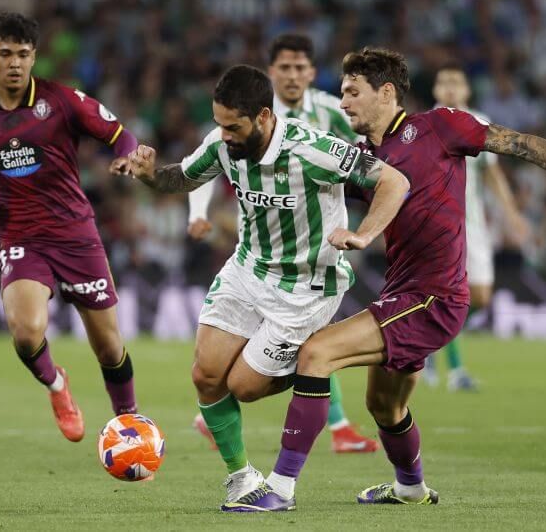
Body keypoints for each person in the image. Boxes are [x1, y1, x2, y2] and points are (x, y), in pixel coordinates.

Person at [224, 47, 546, 512]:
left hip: (434, 297)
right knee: (385, 407)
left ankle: (281, 488)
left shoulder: (440, 125)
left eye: (352, 92)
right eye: (342, 93)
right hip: (403, 294)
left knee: (317, 353)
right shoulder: (362, 159)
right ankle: (411, 488)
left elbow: (521, 143)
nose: (343, 103)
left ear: (385, 93)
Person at [125, 64, 409, 509]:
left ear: (262, 117)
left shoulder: (312, 149)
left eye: (233, 127)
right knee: (206, 375)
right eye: (219, 124)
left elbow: (394, 180)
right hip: (248, 270)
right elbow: (180, 177)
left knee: (244, 386)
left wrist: (365, 234)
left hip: (306, 288)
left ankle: (319, 357)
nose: (224, 136)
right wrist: (149, 175)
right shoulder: (222, 144)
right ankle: (241, 478)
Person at [0, 12, 140, 442]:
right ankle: (57, 386)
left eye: (23, 54)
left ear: (34, 56)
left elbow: (120, 135)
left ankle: (129, 425)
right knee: (26, 333)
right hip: (20, 236)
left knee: (109, 346)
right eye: (6, 54)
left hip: (76, 234)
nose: (15, 63)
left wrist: (126, 157)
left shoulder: (62, 101)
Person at [188, 33, 377, 453]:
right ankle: (335, 419)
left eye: (300, 67)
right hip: (258, 251)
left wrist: (375, 209)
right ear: (272, 73)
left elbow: (373, 154)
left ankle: (337, 422)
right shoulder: (241, 117)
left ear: (312, 72)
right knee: (241, 366)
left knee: (292, 349)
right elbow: (203, 165)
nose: (292, 75)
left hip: (316, 247)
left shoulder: (332, 112)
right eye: (285, 68)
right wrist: (197, 213)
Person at [422, 63, 529, 391]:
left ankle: (430, 344)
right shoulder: (423, 125)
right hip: (438, 222)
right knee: (450, 293)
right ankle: (456, 372)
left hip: (473, 222)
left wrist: (511, 213)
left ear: (467, 90)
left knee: (481, 296)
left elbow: (492, 174)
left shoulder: (479, 122)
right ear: (436, 90)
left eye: (456, 82)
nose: (450, 88)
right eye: (444, 82)